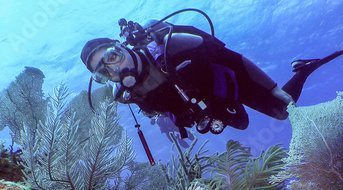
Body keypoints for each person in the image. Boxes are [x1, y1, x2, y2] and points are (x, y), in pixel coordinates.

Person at [80, 17, 343, 138]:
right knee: (241, 124)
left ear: (122, 46)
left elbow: (232, 57)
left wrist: (272, 88)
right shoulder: (128, 96)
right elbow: (160, 110)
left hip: (230, 80)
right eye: (104, 72)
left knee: (283, 112)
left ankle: (304, 70)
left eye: (112, 57)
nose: (114, 71)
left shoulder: (172, 45)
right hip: (207, 106)